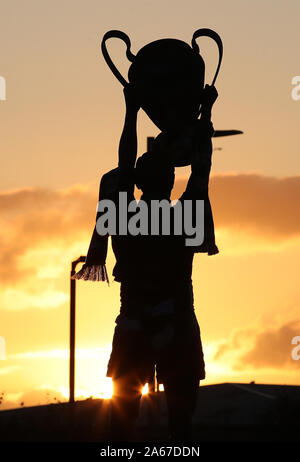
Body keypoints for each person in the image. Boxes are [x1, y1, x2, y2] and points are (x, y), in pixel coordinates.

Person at [73, 83, 218, 441]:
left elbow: (124, 163)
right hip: (179, 326)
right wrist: (207, 113)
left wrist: (132, 109)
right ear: (171, 181)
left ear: (135, 183)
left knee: (120, 427)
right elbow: (202, 167)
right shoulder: (185, 216)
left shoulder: (121, 217)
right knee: (181, 427)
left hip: (133, 327)